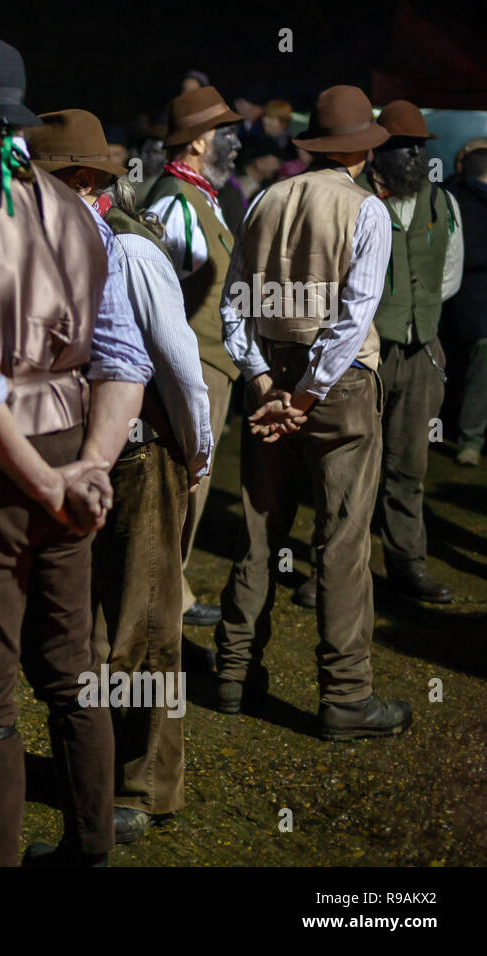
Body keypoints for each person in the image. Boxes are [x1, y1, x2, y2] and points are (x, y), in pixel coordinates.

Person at [0, 34, 153, 867]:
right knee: (72, 670)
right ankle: (89, 848)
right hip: (66, 456)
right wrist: (89, 467)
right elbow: (124, 359)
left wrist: (53, 481)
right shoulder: (80, 212)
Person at [32, 109, 211, 846]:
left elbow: (179, 365)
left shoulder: (131, 255)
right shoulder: (62, 249)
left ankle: (142, 784)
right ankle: (106, 772)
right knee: (97, 623)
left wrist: (195, 453)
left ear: (81, 182)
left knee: (144, 626)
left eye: (45, 185)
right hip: (92, 454)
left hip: (144, 457)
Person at [215, 85, 411, 741]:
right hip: (338, 390)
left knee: (259, 533)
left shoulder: (269, 198)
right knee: (343, 541)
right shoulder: (367, 211)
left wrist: (268, 382)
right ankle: (346, 697)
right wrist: (304, 397)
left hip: (270, 375)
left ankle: (234, 674)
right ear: (362, 149)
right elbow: (353, 321)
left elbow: (233, 305)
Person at [351, 101, 462, 605]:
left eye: (418, 146)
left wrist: (424, 315)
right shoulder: (354, 199)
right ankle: (336, 571)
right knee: (351, 466)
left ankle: (406, 565)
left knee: (409, 464)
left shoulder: (442, 202)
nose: (413, 155)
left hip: (421, 351)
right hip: (365, 352)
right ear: (378, 150)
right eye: (402, 145)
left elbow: (449, 271)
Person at [145, 85, 243, 628]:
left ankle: (171, 596)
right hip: (193, 368)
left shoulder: (199, 195)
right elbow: (162, 300)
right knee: (180, 490)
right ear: (201, 140)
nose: (236, 144)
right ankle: (161, 607)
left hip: (208, 365)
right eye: (226, 133)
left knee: (192, 491)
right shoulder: (174, 200)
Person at [445, 145, 487, 467]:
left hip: (450, 303)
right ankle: (470, 440)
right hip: (476, 304)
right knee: (478, 371)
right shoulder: (470, 202)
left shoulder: (444, 195)